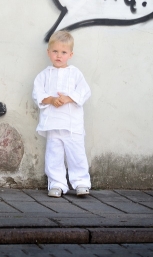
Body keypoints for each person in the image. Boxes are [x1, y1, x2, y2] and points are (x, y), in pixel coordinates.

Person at [32, 30, 91, 198]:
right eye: (55, 51)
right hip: (53, 124)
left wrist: (68, 98)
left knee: (77, 154)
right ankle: (57, 183)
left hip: (72, 125)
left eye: (63, 52)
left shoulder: (75, 73)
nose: (59, 56)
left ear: (70, 54)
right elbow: (37, 93)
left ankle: (81, 182)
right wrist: (50, 100)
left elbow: (84, 91)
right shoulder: (44, 75)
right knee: (54, 155)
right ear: (48, 52)